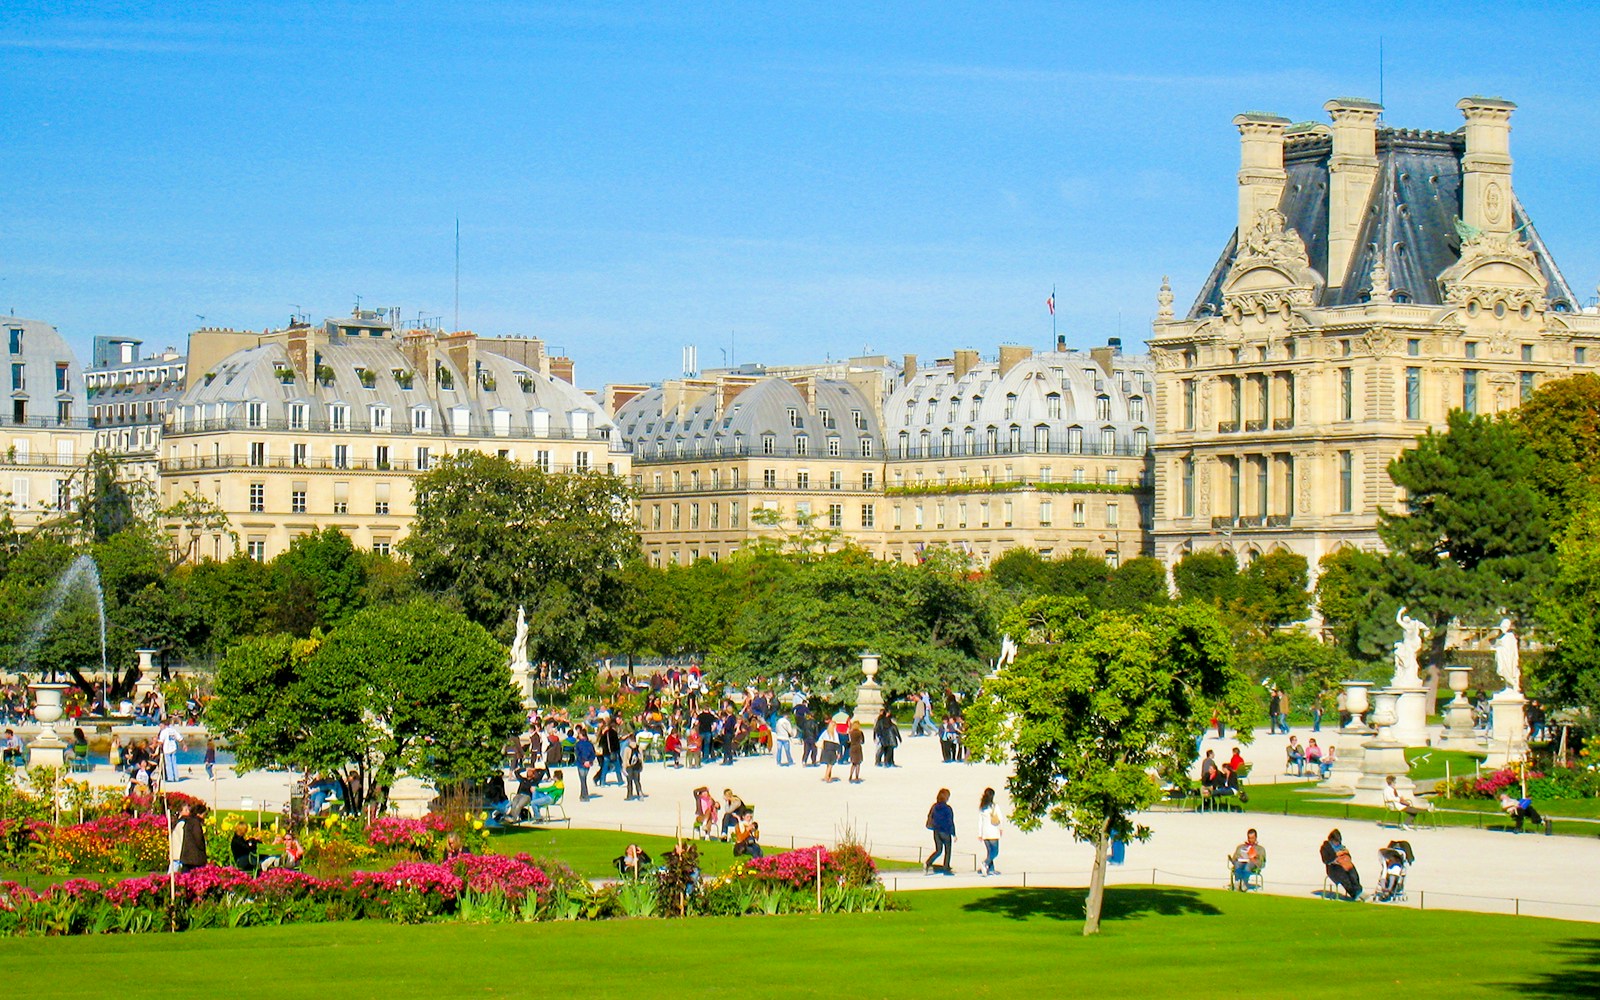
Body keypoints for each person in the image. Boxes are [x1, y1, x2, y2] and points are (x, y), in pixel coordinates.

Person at [1320, 828, 1362, 900]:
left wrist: (1345, 857)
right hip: (1333, 869)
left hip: (1344, 865)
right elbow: (1326, 860)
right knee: (1344, 877)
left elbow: (1348, 856)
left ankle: (1358, 889)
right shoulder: (1325, 848)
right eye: (1336, 841)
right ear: (1331, 840)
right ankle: (1353, 893)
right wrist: (1336, 859)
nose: (1337, 843)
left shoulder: (1341, 847)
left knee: (1353, 873)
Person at [925, 788, 956, 876]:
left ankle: (928, 863)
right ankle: (946, 868)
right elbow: (950, 821)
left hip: (936, 831)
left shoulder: (934, 806)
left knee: (938, 850)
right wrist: (953, 833)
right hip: (945, 831)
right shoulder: (947, 808)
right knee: (948, 850)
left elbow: (930, 816)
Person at [178, 802, 209, 873]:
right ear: (199, 814)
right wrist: (203, 848)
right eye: (205, 814)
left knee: (185, 876)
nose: (205, 816)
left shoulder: (188, 821)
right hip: (195, 857)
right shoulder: (196, 823)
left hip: (187, 855)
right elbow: (198, 839)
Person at [978, 787, 1002, 876]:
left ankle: (991, 869)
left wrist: (980, 834)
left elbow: (980, 821)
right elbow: (1000, 818)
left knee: (989, 851)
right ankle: (985, 863)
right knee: (995, 852)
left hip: (985, 833)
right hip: (993, 832)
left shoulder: (982, 807)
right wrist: (1001, 828)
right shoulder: (994, 806)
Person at [157, 717, 183, 784]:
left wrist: (158, 747)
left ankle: (170, 778)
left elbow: (161, 742)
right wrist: (184, 745)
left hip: (167, 749)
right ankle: (176, 777)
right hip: (173, 748)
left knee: (168, 764)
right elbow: (180, 738)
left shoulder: (164, 731)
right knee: (174, 763)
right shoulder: (173, 730)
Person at [573, 727, 596, 800]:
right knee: (584, 779)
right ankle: (582, 795)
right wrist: (589, 761)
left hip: (581, 763)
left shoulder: (578, 744)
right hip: (588, 763)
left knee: (583, 780)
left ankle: (584, 795)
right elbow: (593, 754)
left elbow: (578, 754)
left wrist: (584, 761)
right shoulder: (590, 744)